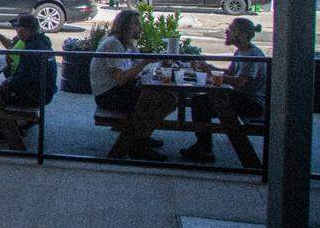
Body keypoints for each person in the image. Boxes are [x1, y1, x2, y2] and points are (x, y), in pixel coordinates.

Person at [90, 9, 174, 161]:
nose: (140, 28)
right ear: (125, 26)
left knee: (167, 97)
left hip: (121, 90)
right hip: (109, 95)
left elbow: (140, 63)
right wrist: (144, 63)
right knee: (163, 100)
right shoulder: (113, 44)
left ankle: (142, 136)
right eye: (136, 24)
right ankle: (138, 142)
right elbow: (121, 78)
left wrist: (160, 62)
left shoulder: (127, 44)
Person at [180, 18, 267, 163]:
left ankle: (205, 148)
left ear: (242, 34)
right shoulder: (241, 52)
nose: (227, 32)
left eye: (231, 29)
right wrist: (210, 68)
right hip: (244, 98)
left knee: (207, 101)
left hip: (253, 103)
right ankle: (204, 147)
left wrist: (212, 73)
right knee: (200, 102)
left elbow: (241, 82)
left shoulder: (253, 55)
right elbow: (230, 74)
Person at [0, 14, 56, 140]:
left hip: (36, 95)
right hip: (46, 92)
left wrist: (9, 83)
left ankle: (4, 130)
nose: (16, 31)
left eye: (18, 28)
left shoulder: (31, 49)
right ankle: (17, 124)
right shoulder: (42, 43)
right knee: (2, 88)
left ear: (24, 30)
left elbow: (24, 79)